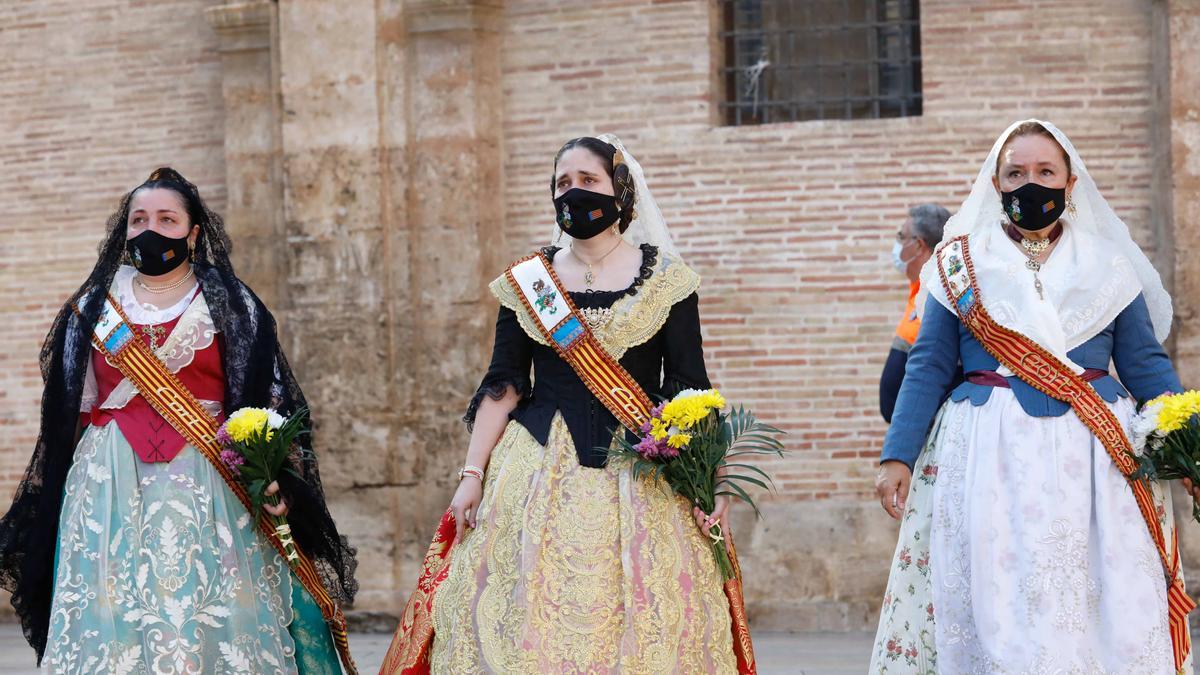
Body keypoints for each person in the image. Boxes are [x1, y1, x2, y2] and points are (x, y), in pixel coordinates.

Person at [380, 135, 754, 673]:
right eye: (562, 184)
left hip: (640, 473)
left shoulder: (669, 282)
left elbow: (691, 390)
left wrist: (714, 480)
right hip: (534, 467)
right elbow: (503, 385)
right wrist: (471, 474)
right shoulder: (528, 282)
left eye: (589, 182)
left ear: (619, 192)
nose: (573, 194)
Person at [0, 169, 358, 673]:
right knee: (113, 609)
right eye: (139, 219)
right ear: (123, 231)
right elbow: (68, 409)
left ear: (192, 233)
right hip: (109, 482)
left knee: (211, 605)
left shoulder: (233, 304)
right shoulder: (93, 307)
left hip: (208, 478)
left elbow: (270, 399)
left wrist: (276, 473)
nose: (151, 229)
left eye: (167, 219)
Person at [870, 120, 1195, 673]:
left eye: (1046, 171)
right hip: (987, 457)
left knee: (1096, 601)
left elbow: (1144, 365)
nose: (1031, 184)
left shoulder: (1110, 266)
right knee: (999, 599)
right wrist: (897, 454)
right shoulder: (958, 264)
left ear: (1070, 185)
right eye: (1016, 172)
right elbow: (926, 366)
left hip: (1096, 464)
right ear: (996, 185)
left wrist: (1186, 447)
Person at [880, 204, 951, 423]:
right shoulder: (919, 292)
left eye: (902, 237)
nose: (897, 244)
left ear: (919, 245)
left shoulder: (936, 300)